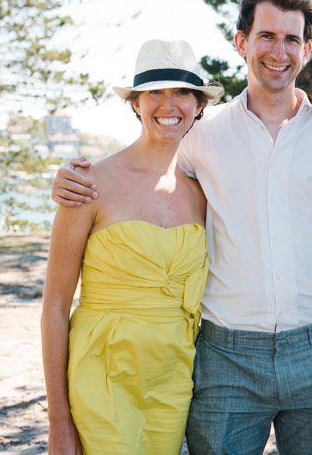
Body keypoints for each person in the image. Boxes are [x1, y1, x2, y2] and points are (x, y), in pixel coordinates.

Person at [50, 0, 312, 454]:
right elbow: (141, 174)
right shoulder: (201, 138)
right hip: (224, 357)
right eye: (265, 36)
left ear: (307, 48)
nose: (278, 51)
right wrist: (64, 179)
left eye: (291, 39)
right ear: (241, 42)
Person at [41, 39, 223, 453]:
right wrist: (58, 422)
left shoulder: (204, 195)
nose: (168, 103)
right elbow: (54, 306)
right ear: (135, 104)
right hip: (102, 374)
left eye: (181, 91)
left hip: (174, 378)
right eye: (154, 91)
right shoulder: (88, 185)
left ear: (198, 105)